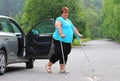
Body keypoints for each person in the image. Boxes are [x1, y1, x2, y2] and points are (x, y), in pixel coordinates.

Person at [46, 7, 82, 73]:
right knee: (58, 53)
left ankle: (62, 69)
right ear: (62, 13)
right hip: (59, 39)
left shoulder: (68, 20)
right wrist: (61, 33)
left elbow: (73, 28)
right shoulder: (59, 19)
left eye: (67, 13)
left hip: (67, 41)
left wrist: (78, 34)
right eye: (65, 13)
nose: (66, 14)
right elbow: (57, 25)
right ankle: (49, 65)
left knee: (65, 53)